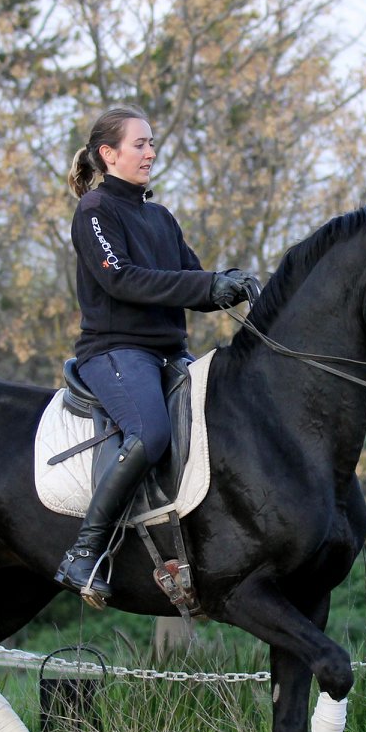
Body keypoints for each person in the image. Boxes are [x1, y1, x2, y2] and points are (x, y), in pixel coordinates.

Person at [57, 105, 254, 604]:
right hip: (116, 352)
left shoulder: (160, 216)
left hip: (171, 354)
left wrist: (229, 286)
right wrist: (206, 284)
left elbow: (190, 276)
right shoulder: (95, 210)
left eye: (151, 143)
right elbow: (119, 278)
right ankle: (85, 551)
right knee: (150, 432)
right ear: (109, 153)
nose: (150, 151)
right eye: (140, 143)